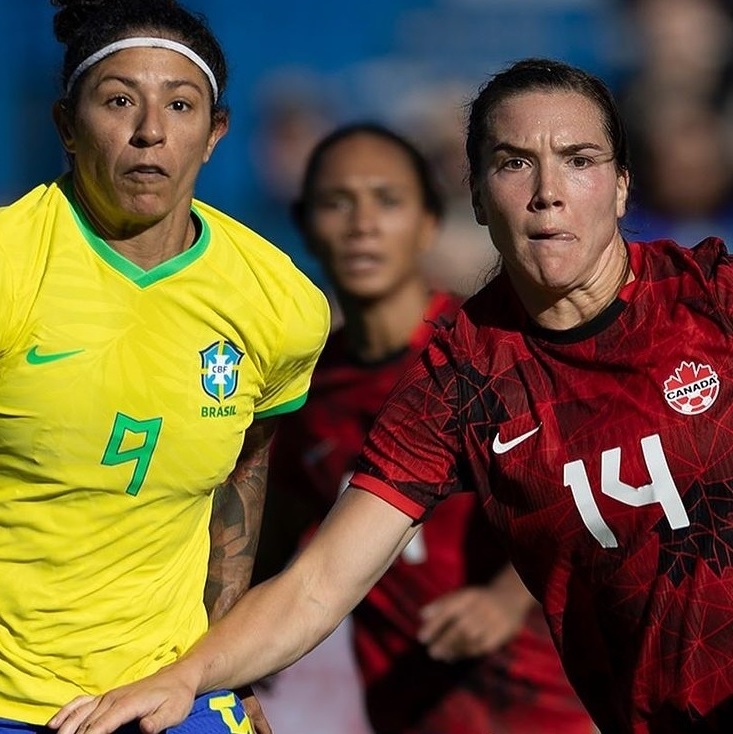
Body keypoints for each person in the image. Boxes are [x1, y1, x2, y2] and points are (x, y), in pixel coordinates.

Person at [47, 56, 733, 734]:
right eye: (513, 162)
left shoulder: (709, 296)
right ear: (472, 193)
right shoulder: (460, 379)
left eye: (578, 160)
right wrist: (185, 675)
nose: (546, 191)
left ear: (620, 188)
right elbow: (319, 582)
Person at [0, 0, 329, 732]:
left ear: (214, 134)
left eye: (180, 105)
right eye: (119, 101)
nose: (150, 131)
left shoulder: (278, 303)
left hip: (169, 693)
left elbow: (238, 494)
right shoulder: (12, 265)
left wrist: (224, 670)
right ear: (65, 126)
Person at [254, 121, 594, 734]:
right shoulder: (304, 391)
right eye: (337, 202)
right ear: (304, 224)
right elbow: (273, 540)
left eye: (387, 200)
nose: (362, 224)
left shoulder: (494, 353)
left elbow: (588, 504)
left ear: (430, 221)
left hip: (550, 712)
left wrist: (503, 599)